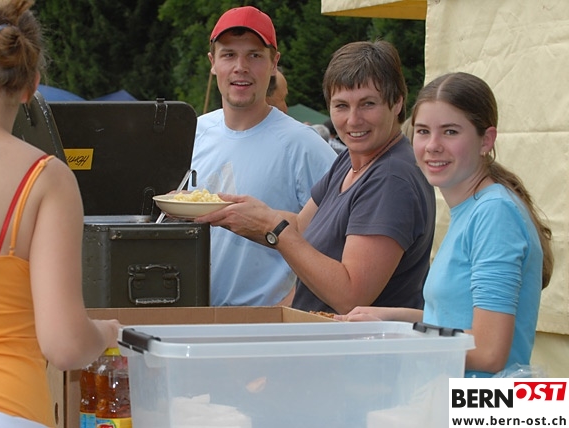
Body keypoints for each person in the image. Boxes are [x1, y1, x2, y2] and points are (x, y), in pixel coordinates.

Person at [0, 1, 120, 426]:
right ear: (31, 86)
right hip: (3, 409)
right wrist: (105, 332)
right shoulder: (46, 179)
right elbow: (65, 346)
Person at [336, 72, 554, 378]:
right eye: (423, 131)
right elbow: (452, 320)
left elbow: (489, 351)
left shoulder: (494, 213)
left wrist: (395, 336)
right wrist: (389, 318)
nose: (432, 145)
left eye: (450, 132)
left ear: (486, 140)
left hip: (483, 403)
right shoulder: (475, 208)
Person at [195, 40, 436, 315]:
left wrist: (273, 229)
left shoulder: (391, 179)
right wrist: (229, 211)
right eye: (341, 106)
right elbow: (301, 226)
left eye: (368, 104)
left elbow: (350, 296)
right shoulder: (352, 160)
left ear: (397, 102)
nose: (353, 120)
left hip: (360, 342)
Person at [191, 6, 336, 306]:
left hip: (268, 324)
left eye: (254, 55)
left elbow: (338, 237)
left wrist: (293, 306)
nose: (240, 67)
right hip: (192, 320)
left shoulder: (303, 145)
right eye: (229, 55)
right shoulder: (193, 134)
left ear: (274, 63)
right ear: (213, 63)